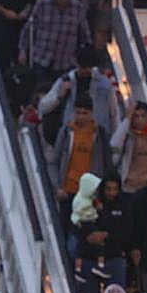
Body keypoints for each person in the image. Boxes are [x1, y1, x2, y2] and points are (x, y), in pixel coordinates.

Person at [47, 96, 114, 224]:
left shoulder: (100, 134)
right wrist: (57, 187)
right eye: (78, 113)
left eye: (85, 113)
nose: (81, 117)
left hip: (90, 194)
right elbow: (54, 161)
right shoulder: (67, 131)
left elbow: (107, 164)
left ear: (91, 113)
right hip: (68, 190)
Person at [18, 0, 91, 90]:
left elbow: (84, 36)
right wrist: (23, 51)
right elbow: (28, 29)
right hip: (41, 60)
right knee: (41, 93)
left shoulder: (77, 8)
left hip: (65, 63)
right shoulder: (42, 5)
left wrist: (84, 60)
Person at [37, 45, 118, 143]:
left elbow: (114, 113)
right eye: (83, 67)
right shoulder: (65, 80)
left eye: (89, 67)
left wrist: (113, 140)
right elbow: (43, 106)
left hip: (97, 137)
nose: (86, 71)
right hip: (72, 136)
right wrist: (59, 96)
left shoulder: (104, 84)